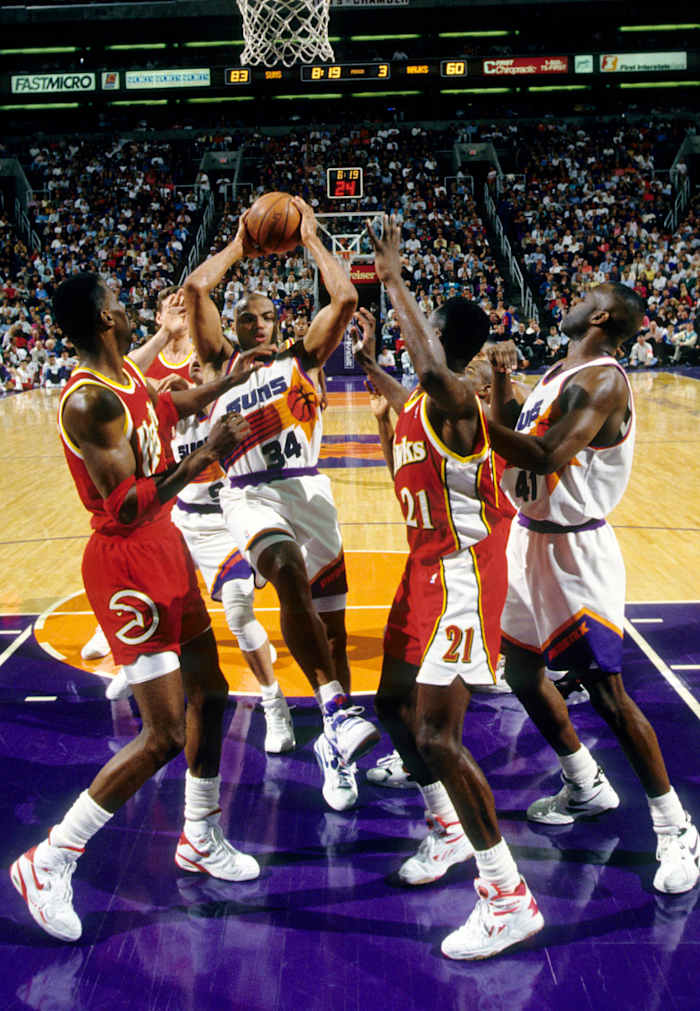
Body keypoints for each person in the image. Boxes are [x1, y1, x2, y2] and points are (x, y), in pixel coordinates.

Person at [10, 273, 265, 943]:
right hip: (126, 561)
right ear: (102, 318)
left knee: (212, 694)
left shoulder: (125, 376)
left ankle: (200, 834)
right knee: (160, 734)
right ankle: (51, 858)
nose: (129, 306)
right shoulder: (89, 401)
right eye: (118, 302)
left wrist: (235, 378)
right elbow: (126, 502)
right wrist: (208, 455)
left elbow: (171, 402)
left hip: (166, 545)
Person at [355, 215, 544, 961]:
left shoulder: (460, 406)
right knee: (391, 706)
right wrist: (369, 363)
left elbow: (428, 380)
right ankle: (445, 828)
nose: (414, 332)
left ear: (442, 341)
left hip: (460, 573)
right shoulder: (420, 402)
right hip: (421, 570)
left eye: (423, 326)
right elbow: (406, 389)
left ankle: (508, 895)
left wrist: (393, 276)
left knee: (437, 733)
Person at [487, 282, 699, 895]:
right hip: (529, 538)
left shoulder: (604, 380)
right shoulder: (560, 372)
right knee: (523, 674)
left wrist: (462, 420)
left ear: (600, 317)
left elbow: (547, 455)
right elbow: (516, 435)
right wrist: (501, 389)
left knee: (608, 695)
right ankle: (586, 783)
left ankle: (675, 827)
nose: (571, 299)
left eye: (584, 296)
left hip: (576, 550)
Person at [183, 196, 380, 812]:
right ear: (235, 330)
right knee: (285, 567)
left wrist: (312, 237)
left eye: (267, 317)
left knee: (336, 632)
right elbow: (194, 289)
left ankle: (336, 743)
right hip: (249, 495)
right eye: (247, 319)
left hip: (310, 492)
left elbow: (344, 299)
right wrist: (241, 244)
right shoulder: (220, 363)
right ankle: (333, 707)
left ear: (281, 322)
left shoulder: (305, 360)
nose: (258, 325)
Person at [81, 292, 291, 753]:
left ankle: (274, 703)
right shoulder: (159, 402)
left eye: (202, 363)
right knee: (167, 614)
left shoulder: (235, 401)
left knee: (237, 613)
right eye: (187, 367)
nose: (193, 370)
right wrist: (165, 344)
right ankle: (133, 666)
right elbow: (130, 387)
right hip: (174, 522)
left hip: (222, 524)